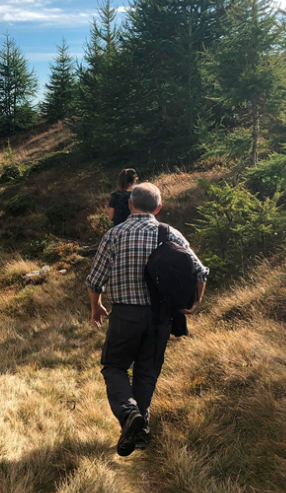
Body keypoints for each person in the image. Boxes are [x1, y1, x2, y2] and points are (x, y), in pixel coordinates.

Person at [86, 182, 208, 456]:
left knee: (114, 367)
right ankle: (140, 433)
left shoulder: (114, 235)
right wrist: (195, 302)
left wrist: (97, 306)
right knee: (147, 372)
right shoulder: (170, 234)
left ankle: (129, 414)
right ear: (159, 207)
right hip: (159, 318)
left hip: (125, 316)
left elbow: (94, 281)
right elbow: (200, 272)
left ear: (129, 204)